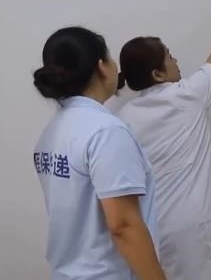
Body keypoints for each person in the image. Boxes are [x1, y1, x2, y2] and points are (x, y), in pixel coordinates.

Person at [115, 0, 211, 280]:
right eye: (170, 56)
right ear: (157, 73)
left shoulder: (124, 118)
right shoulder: (186, 96)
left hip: (161, 225)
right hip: (202, 221)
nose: (176, 61)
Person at [32, 26, 166, 280]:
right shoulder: (106, 132)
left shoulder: (54, 130)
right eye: (110, 57)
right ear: (102, 67)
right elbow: (124, 226)